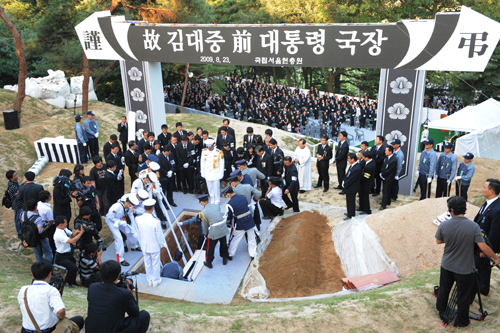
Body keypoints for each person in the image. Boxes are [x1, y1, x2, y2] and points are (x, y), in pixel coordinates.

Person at [435, 196, 500, 328]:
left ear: (451, 210)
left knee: (444, 289)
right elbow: (483, 247)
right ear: (464, 209)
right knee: (463, 295)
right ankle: (462, 321)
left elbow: (438, 241)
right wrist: (495, 258)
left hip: (447, 265)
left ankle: (442, 311)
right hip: (464, 269)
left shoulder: (444, 224)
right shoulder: (474, 226)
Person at [18, 260, 85, 333]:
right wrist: (60, 318)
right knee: (79, 320)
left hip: (26, 330)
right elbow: (60, 311)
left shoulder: (23, 290)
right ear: (50, 274)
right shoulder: (51, 291)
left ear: (32, 274)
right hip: (48, 330)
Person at [85, 260, 150, 333]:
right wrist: (130, 293)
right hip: (112, 330)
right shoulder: (124, 293)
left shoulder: (92, 287)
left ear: (101, 274)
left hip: (91, 330)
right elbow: (134, 312)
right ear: (118, 276)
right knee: (144, 315)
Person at [473, 179, 500, 296]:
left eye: (484, 187)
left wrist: (488, 249)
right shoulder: (488, 202)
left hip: (485, 244)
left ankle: (481, 289)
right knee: (482, 266)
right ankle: (482, 288)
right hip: (479, 242)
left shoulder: (497, 209)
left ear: (491, 191)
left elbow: (495, 232)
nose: (482, 189)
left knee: (482, 265)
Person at [135, 198, 168, 287]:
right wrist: (162, 244)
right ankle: (156, 281)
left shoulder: (138, 219)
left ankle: (149, 280)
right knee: (155, 264)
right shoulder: (156, 221)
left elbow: (138, 232)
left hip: (144, 245)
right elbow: (159, 235)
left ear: (144, 208)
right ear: (152, 208)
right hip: (154, 246)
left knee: (147, 263)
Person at [105, 194, 141, 266]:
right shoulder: (116, 207)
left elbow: (131, 216)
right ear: (127, 203)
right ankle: (120, 259)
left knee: (130, 232)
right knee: (119, 238)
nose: (131, 207)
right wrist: (120, 222)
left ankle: (134, 245)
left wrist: (132, 228)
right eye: (131, 205)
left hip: (120, 219)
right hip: (112, 221)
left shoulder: (129, 206)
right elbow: (110, 217)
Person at [224, 188, 257, 260]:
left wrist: (228, 224)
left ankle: (230, 254)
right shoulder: (243, 197)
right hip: (249, 219)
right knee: (251, 238)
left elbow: (230, 216)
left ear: (228, 194)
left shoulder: (229, 204)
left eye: (226, 195)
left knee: (235, 239)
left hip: (240, 222)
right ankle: (253, 254)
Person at [53, 215, 86, 287]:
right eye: (65, 222)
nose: (67, 223)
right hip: (61, 257)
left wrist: (77, 232)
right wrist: (81, 233)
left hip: (68, 254)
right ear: (60, 225)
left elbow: (71, 235)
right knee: (73, 268)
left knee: (75, 266)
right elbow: (72, 241)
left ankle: (72, 281)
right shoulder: (58, 234)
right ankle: (67, 282)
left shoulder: (64, 229)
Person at [20, 198, 53, 263]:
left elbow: (22, 222)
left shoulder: (24, 214)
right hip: (40, 238)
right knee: (48, 252)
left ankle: (39, 268)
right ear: (35, 206)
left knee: (38, 254)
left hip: (30, 237)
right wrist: (48, 225)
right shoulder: (38, 218)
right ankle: (47, 269)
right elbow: (40, 231)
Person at [200, 138, 224, 204]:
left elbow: (221, 163)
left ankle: (217, 200)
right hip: (207, 173)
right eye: (208, 147)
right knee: (210, 188)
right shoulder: (204, 151)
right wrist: (202, 172)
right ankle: (212, 199)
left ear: (213, 145)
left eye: (210, 147)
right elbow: (202, 162)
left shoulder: (218, 152)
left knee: (216, 188)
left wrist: (221, 174)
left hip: (216, 173)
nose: (209, 148)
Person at [37, 190, 56, 257]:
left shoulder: (38, 204)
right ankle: (53, 253)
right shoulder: (48, 209)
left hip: (40, 223)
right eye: (50, 196)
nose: (51, 197)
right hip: (49, 226)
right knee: (52, 240)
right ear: (46, 199)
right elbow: (51, 221)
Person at [6, 170, 24, 238]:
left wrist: (22, 184)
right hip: (17, 205)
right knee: (18, 219)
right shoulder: (12, 186)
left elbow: (18, 189)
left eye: (16, 174)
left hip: (19, 203)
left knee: (21, 218)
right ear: (11, 178)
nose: (17, 176)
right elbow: (17, 193)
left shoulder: (14, 181)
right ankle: (19, 233)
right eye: (15, 175)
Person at [379, 146, 397, 211]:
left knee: (386, 191)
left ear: (390, 151)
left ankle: (383, 205)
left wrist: (383, 174)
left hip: (389, 177)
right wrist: (382, 173)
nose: (385, 151)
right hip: (384, 177)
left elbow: (390, 170)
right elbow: (383, 166)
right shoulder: (386, 158)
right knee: (386, 190)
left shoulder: (393, 160)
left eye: (386, 150)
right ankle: (387, 201)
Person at [359, 150, 375, 215]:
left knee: (365, 197)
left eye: (364, 157)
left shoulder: (369, 166)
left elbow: (366, 177)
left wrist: (359, 179)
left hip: (366, 184)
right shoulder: (371, 161)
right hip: (365, 183)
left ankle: (367, 210)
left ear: (367, 157)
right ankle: (361, 207)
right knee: (361, 196)